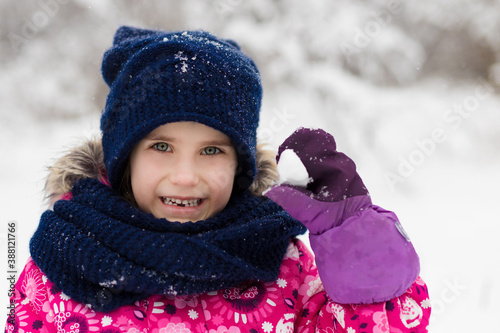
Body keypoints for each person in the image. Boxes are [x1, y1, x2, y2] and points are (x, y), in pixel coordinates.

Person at [5, 26, 431, 333]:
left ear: (240, 165)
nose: (186, 176)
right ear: (123, 159)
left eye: (211, 151)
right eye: (161, 147)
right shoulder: (65, 257)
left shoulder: (280, 264)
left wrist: (359, 241)